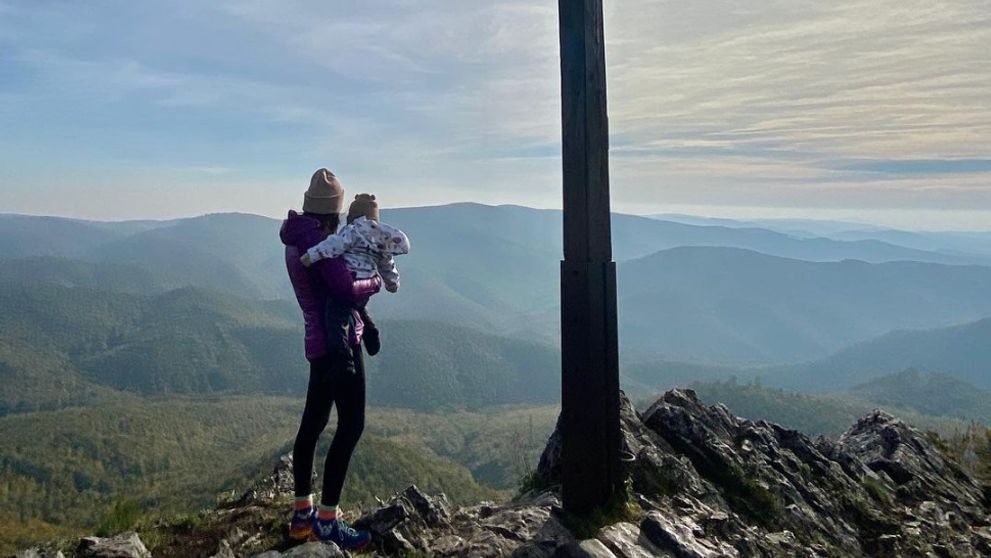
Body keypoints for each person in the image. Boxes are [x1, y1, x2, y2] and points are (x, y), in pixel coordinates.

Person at [278, 168, 382, 550]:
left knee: (313, 426)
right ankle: (327, 520)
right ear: (332, 214)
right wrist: (375, 283)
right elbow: (345, 286)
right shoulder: (317, 246)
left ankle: (302, 516)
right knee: (351, 425)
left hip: (317, 346)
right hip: (340, 347)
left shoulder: (296, 240)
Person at [300, 193, 411, 294]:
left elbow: (334, 245)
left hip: (350, 279)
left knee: (334, 309)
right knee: (358, 307)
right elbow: (387, 263)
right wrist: (392, 282)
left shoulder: (353, 231)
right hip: (368, 284)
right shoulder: (382, 241)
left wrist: (311, 255)